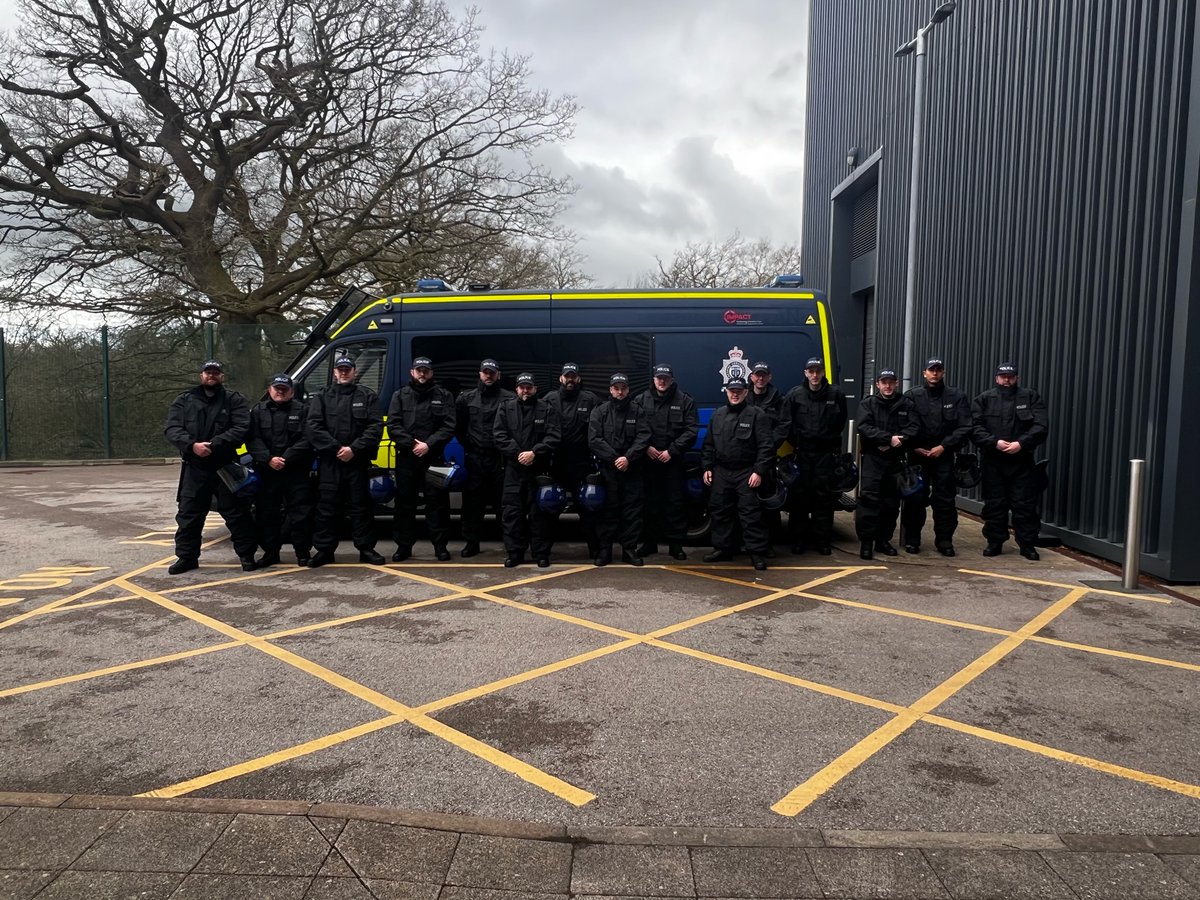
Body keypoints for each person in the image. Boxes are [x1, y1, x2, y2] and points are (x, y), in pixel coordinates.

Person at [163, 360, 259, 574]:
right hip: (194, 467)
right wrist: (192, 446)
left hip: (225, 466)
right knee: (189, 515)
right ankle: (187, 558)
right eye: (208, 372)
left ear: (222, 376)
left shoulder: (235, 400)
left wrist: (214, 445)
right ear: (201, 375)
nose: (212, 376)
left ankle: (247, 556)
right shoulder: (184, 400)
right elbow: (172, 429)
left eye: (216, 373)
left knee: (237, 514)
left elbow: (242, 427)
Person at [305, 355, 386, 567]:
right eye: (340, 369)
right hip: (330, 462)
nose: (343, 372)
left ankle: (366, 549)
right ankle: (324, 551)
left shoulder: (367, 396)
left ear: (354, 372)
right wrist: (337, 448)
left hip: (357, 462)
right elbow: (313, 426)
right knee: (327, 508)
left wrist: (354, 449)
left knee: (361, 507)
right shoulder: (322, 396)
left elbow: (375, 427)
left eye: (347, 369)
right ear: (334, 372)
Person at [971, 362, 1050, 559]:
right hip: (993, 461)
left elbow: (1041, 426)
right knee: (995, 505)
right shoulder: (984, 399)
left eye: (1010, 376)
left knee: (1024, 505)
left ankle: (1027, 545)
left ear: (1017, 378)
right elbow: (974, 427)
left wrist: (1021, 443)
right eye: (1003, 376)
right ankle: (995, 542)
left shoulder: (1030, 397)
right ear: (996, 378)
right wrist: (994, 442)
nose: (1007, 380)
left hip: (1021, 461)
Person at [900, 357, 972, 557]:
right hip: (917, 457)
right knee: (914, 499)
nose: (935, 373)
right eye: (931, 370)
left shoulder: (956, 396)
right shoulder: (912, 396)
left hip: (944, 456)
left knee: (945, 501)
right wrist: (913, 447)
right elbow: (903, 424)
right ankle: (912, 540)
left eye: (938, 370)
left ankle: (944, 541)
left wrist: (944, 446)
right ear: (924, 373)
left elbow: (965, 426)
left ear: (943, 373)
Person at [386, 356, 456, 562]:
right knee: (404, 504)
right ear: (412, 372)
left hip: (435, 458)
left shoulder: (444, 395)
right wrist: (412, 444)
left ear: (431, 373)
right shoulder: (400, 396)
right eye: (419, 370)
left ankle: (440, 547)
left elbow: (449, 426)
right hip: (407, 459)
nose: (422, 373)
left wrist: (428, 445)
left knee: (438, 504)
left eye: (426, 370)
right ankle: (404, 547)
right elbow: (393, 425)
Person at [701, 377, 774, 570]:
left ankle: (756, 552)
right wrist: (707, 467)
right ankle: (723, 549)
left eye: (739, 391)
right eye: (731, 390)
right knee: (720, 512)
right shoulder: (718, 415)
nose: (735, 394)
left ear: (745, 392)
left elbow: (766, 446)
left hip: (746, 472)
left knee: (750, 514)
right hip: (722, 471)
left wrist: (758, 471)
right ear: (726, 392)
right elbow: (708, 445)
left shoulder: (757, 415)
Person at [494, 373, 562, 567]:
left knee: (540, 513)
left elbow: (554, 437)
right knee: (512, 513)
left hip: (538, 469)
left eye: (529, 387)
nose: (525, 390)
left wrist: (534, 452)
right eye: (522, 387)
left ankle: (541, 553)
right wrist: (519, 454)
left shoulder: (546, 409)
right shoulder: (505, 408)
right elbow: (499, 436)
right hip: (513, 469)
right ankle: (515, 553)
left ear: (535, 389)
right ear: (516, 389)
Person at [246, 373, 314, 567]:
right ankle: (270, 553)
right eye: (277, 389)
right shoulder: (258, 411)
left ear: (291, 392)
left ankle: (303, 553)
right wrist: (268, 459)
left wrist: (286, 458)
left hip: (295, 470)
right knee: (267, 514)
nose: (281, 392)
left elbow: (308, 438)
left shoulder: (303, 410)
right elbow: (252, 439)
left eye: (285, 390)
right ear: (270, 390)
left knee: (301, 514)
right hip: (267, 471)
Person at [783, 358, 847, 555]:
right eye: (811, 371)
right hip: (802, 454)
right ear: (805, 373)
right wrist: (798, 443)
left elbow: (841, 421)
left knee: (824, 499)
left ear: (823, 372)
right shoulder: (795, 395)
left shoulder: (835, 394)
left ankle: (822, 541)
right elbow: (787, 423)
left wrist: (829, 441)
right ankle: (798, 540)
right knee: (799, 499)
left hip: (825, 456)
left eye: (818, 371)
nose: (815, 375)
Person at [636, 364, 698, 560]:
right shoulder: (640, 400)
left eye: (665, 378)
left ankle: (675, 545)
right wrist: (646, 447)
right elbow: (633, 427)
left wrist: (672, 451)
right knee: (649, 503)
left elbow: (691, 430)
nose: (662, 381)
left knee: (675, 503)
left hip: (673, 461)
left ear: (671, 379)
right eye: (658, 378)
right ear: (653, 379)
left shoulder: (685, 400)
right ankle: (649, 543)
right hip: (648, 460)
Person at [588, 373, 651, 566]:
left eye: (623, 388)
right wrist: (616, 458)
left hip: (632, 467)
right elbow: (594, 440)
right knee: (608, 510)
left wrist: (628, 458)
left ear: (628, 389)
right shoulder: (600, 411)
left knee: (632, 511)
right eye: (616, 388)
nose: (620, 391)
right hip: (609, 468)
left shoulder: (637, 411)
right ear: (610, 390)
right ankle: (605, 551)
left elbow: (644, 436)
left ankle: (629, 550)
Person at [855, 368, 919, 560]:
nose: (888, 385)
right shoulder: (868, 404)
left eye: (891, 382)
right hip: (873, 459)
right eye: (884, 382)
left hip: (895, 460)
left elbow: (914, 427)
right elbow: (864, 427)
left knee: (891, 503)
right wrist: (886, 440)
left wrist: (899, 440)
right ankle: (867, 543)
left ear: (897, 383)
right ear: (878, 385)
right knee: (869, 501)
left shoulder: (906, 404)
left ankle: (883, 540)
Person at [455, 359, 514, 557]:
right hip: (476, 459)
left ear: (499, 374)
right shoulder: (466, 399)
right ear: (479, 374)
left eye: (492, 373)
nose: (488, 376)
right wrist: (471, 448)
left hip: (500, 460)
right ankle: (472, 543)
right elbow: (460, 429)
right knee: (472, 504)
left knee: (504, 504)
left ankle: (509, 543)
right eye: (485, 372)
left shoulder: (509, 399)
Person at [545, 363, 602, 558]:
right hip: (556, 463)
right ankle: (543, 553)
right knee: (550, 508)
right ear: (561, 378)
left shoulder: (591, 399)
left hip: (582, 464)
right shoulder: (549, 400)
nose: (570, 380)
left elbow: (600, 428)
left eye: (574, 376)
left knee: (588, 509)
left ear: (578, 378)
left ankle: (595, 551)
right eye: (567, 376)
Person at [747, 360, 788, 553]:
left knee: (769, 504)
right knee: (747, 504)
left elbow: (784, 425)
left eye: (764, 375)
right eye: (757, 374)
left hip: (767, 458)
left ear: (769, 377)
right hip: (746, 457)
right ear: (752, 377)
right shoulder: (744, 396)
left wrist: (767, 445)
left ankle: (769, 544)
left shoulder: (778, 399)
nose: (760, 378)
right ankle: (748, 543)